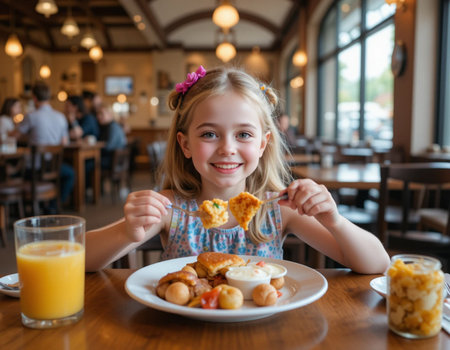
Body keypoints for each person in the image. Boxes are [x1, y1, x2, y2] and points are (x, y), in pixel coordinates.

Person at [85, 66, 389, 274]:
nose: (227, 148)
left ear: (262, 144)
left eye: (243, 134)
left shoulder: (281, 209)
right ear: (185, 144)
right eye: (209, 134)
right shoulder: (170, 208)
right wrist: (126, 231)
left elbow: (377, 263)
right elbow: (80, 258)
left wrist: (335, 221)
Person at [17, 81, 75, 206]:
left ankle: (26, 208)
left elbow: (16, 135)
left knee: (17, 171)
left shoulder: (31, 116)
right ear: (49, 97)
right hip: (54, 166)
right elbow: (64, 142)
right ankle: (54, 206)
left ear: (34, 98)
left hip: (34, 168)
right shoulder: (60, 117)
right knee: (70, 173)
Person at [96, 105, 127, 170]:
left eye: (101, 113)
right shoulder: (110, 126)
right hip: (114, 160)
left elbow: (109, 147)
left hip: (113, 161)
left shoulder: (113, 127)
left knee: (88, 164)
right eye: (98, 114)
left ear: (110, 114)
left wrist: (95, 147)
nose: (98, 116)